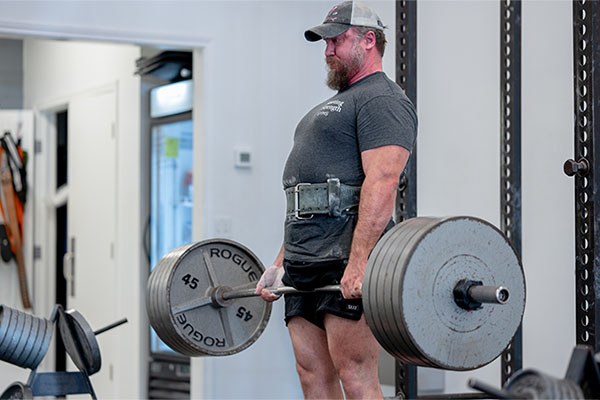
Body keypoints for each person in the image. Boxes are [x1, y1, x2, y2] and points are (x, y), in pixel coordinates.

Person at [255, 1, 417, 398]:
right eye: (325, 43)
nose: (327, 51)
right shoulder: (328, 107)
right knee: (311, 373)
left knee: (356, 373)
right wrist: (280, 263)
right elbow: (305, 200)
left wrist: (360, 264)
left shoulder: (382, 100)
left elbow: (383, 181)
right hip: (304, 258)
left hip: (344, 257)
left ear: (368, 41)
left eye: (336, 41)